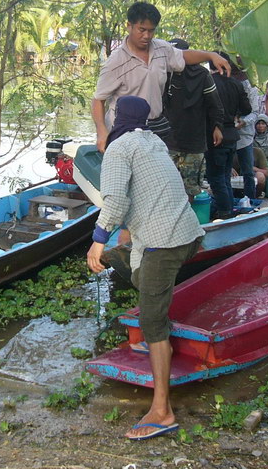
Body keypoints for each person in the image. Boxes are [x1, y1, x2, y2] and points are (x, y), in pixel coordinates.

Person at [86, 96, 203, 441]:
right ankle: (158, 336)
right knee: (142, 277)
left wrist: (97, 240)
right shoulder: (153, 141)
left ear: (116, 118)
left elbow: (117, 201)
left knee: (151, 319)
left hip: (163, 240)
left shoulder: (119, 148)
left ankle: (162, 411)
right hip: (187, 234)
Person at [91, 2, 230, 153]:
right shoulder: (115, 62)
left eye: (151, 31)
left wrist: (210, 55)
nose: (146, 36)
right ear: (129, 26)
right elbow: (98, 99)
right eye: (141, 30)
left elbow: (183, 56)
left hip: (154, 127)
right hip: (123, 130)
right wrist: (102, 131)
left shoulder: (162, 49)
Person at [163, 38, 225, 198]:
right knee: (166, 187)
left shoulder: (202, 75)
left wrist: (217, 127)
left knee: (189, 189)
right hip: (167, 141)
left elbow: (215, 104)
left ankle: (186, 220)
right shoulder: (163, 74)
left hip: (193, 142)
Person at [205, 56, 252, 220]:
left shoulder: (209, 81)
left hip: (216, 135)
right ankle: (228, 209)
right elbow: (247, 108)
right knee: (224, 176)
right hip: (232, 135)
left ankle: (225, 213)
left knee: (216, 178)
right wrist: (235, 114)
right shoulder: (236, 83)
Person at [229, 58, 259, 200]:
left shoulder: (250, 89)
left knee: (248, 172)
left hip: (245, 136)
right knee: (225, 171)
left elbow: (255, 112)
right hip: (228, 135)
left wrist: (244, 122)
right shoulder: (225, 84)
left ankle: (250, 200)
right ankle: (228, 201)